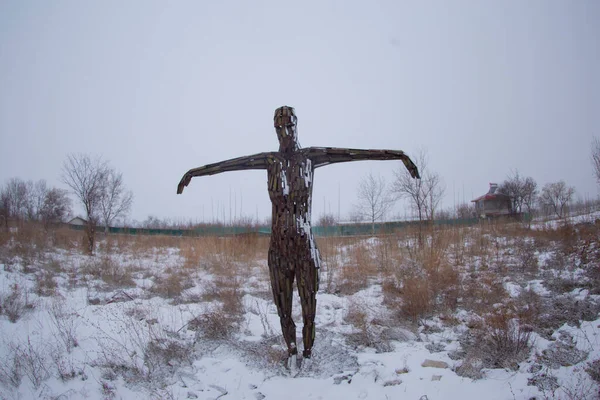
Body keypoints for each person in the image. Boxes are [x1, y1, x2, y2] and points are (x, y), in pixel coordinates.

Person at [177, 106, 420, 361]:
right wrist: (194, 172)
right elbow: (229, 165)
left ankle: (307, 350)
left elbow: (354, 154)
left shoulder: (311, 157)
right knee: (283, 308)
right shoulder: (269, 161)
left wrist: (398, 155)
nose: (284, 132)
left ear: (296, 125)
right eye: (279, 128)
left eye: (289, 126)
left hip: (305, 247)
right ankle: (291, 349)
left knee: (309, 309)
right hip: (278, 250)